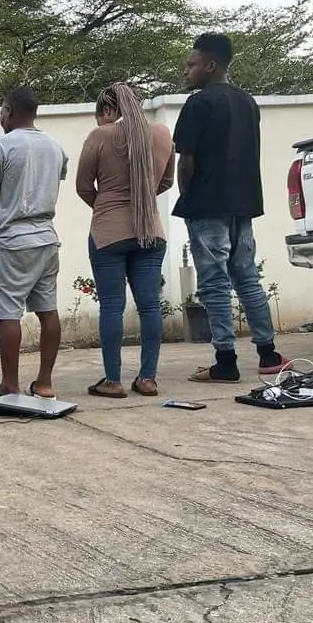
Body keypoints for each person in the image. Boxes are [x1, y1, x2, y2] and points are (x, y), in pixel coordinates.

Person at [173, 33, 290, 382]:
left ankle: (225, 361)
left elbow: (186, 160)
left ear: (211, 65)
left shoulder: (198, 104)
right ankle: (268, 354)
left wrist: (187, 196)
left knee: (214, 284)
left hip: (207, 205)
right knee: (247, 277)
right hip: (243, 204)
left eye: (192, 64)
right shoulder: (247, 102)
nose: (187, 71)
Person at [76, 82, 175, 398]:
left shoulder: (100, 136)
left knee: (111, 306)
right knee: (150, 306)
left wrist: (106, 207)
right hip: (151, 231)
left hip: (108, 235)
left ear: (107, 110)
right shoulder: (162, 134)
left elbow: (82, 186)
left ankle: (113, 381)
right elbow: (167, 181)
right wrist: (142, 199)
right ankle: (148, 378)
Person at [0, 86, 67, 403]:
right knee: (48, 309)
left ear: (10, 110)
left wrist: (3, 228)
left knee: (9, 313)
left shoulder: (1, 146)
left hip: (11, 240)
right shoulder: (55, 148)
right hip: (46, 238)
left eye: (2, 111)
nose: (0, 117)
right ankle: (44, 384)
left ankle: (10, 385)